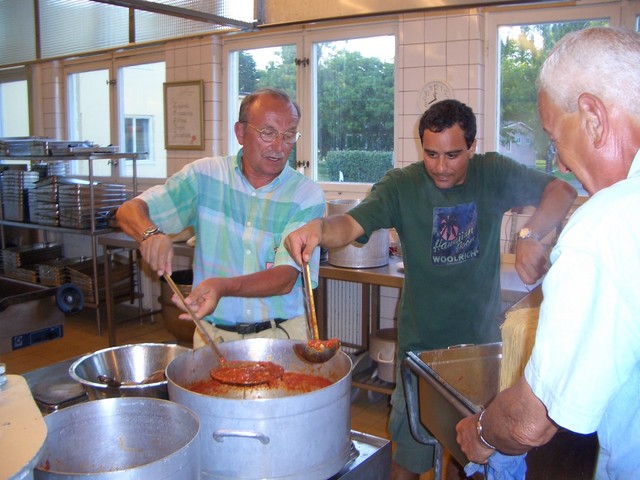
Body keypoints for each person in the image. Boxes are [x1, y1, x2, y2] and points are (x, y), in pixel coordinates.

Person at [284, 98, 577, 479]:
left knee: (465, 455)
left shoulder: (492, 173)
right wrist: (321, 230)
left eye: (453, 155)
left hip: (478, 350)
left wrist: (532, 234)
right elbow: (352, 226)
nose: (440, 167)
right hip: (419, 350)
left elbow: (561, 191)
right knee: (407, 454)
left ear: (471, 146)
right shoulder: (401, 186)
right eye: (431, 154)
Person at [455, 26, 640, 479]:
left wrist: (480, 431)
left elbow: (530, 422)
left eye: (555, 140)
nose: (559, 160)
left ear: (593, 117)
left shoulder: (609, 221)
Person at [116, 87, 325, 347]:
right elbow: (128, 211)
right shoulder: (205, 177)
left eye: (289, 135)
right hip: (214, 338)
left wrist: (223, 286)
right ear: (240, 132)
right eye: (268, 133)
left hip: (280, 337)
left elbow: (285, 278)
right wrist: (149, 233)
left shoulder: (305, 194)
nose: (279, 146)